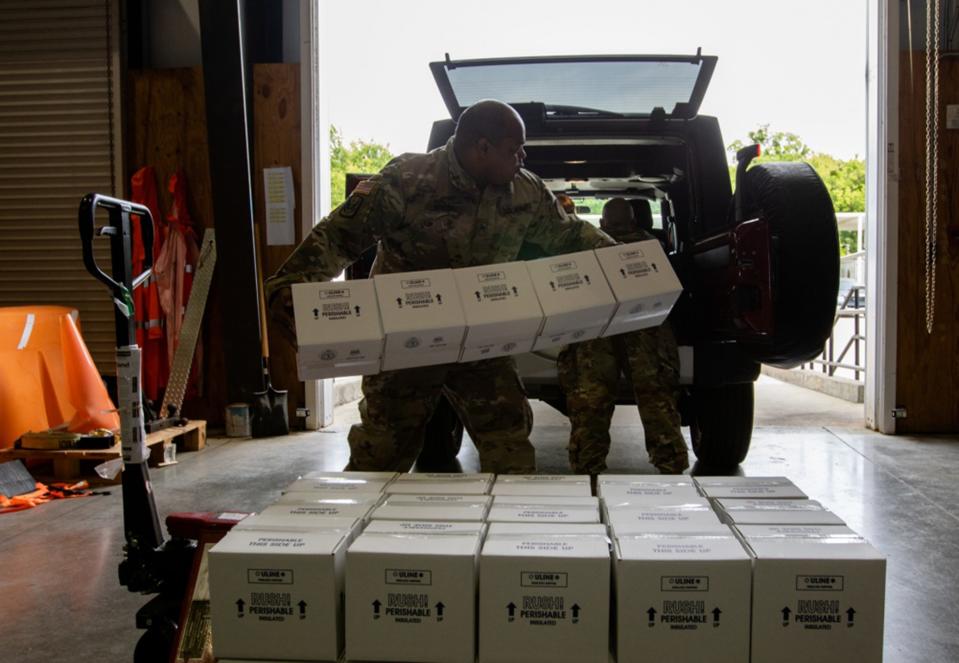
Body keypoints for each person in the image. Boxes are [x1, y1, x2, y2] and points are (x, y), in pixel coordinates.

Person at [265, 100, 615, 473]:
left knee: (510, 444)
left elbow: (570, 235)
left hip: (483, 342)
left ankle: (510, 525)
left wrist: (628, 263)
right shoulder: (409, 181)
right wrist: (294, 297)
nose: (522, 158)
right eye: (514, 150)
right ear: (482, 148)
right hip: (407, 342)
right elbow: (336, 240)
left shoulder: (525, 192)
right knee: (382, 452)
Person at [557, 197, 689, 475]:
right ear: (634, 221)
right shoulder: (653, 248)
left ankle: (587, 470)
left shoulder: (584, 248)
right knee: (657, 401)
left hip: (595, 334)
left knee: (590, 405)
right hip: (646, 333)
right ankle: (671, 467)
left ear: (602, 223)